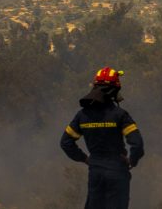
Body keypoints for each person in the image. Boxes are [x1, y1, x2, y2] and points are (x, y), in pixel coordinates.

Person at [60, 67, 144, 208]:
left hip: (96, 174)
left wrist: (85, 159)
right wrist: (132, 160)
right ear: (114, 90)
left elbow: (66, 143)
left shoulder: (83, 115)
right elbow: (137, 144)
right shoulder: (120, 115)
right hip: (117, 173)